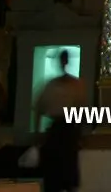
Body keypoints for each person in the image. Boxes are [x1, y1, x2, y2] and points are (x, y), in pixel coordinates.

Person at [34, 49, 86, 192]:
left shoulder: (74, 85)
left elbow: (80, 111)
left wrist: (79, 133)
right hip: (59, 128)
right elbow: (40, 108)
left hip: (67, 129)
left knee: (67, 171)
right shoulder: (53, 85)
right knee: (54, 172)